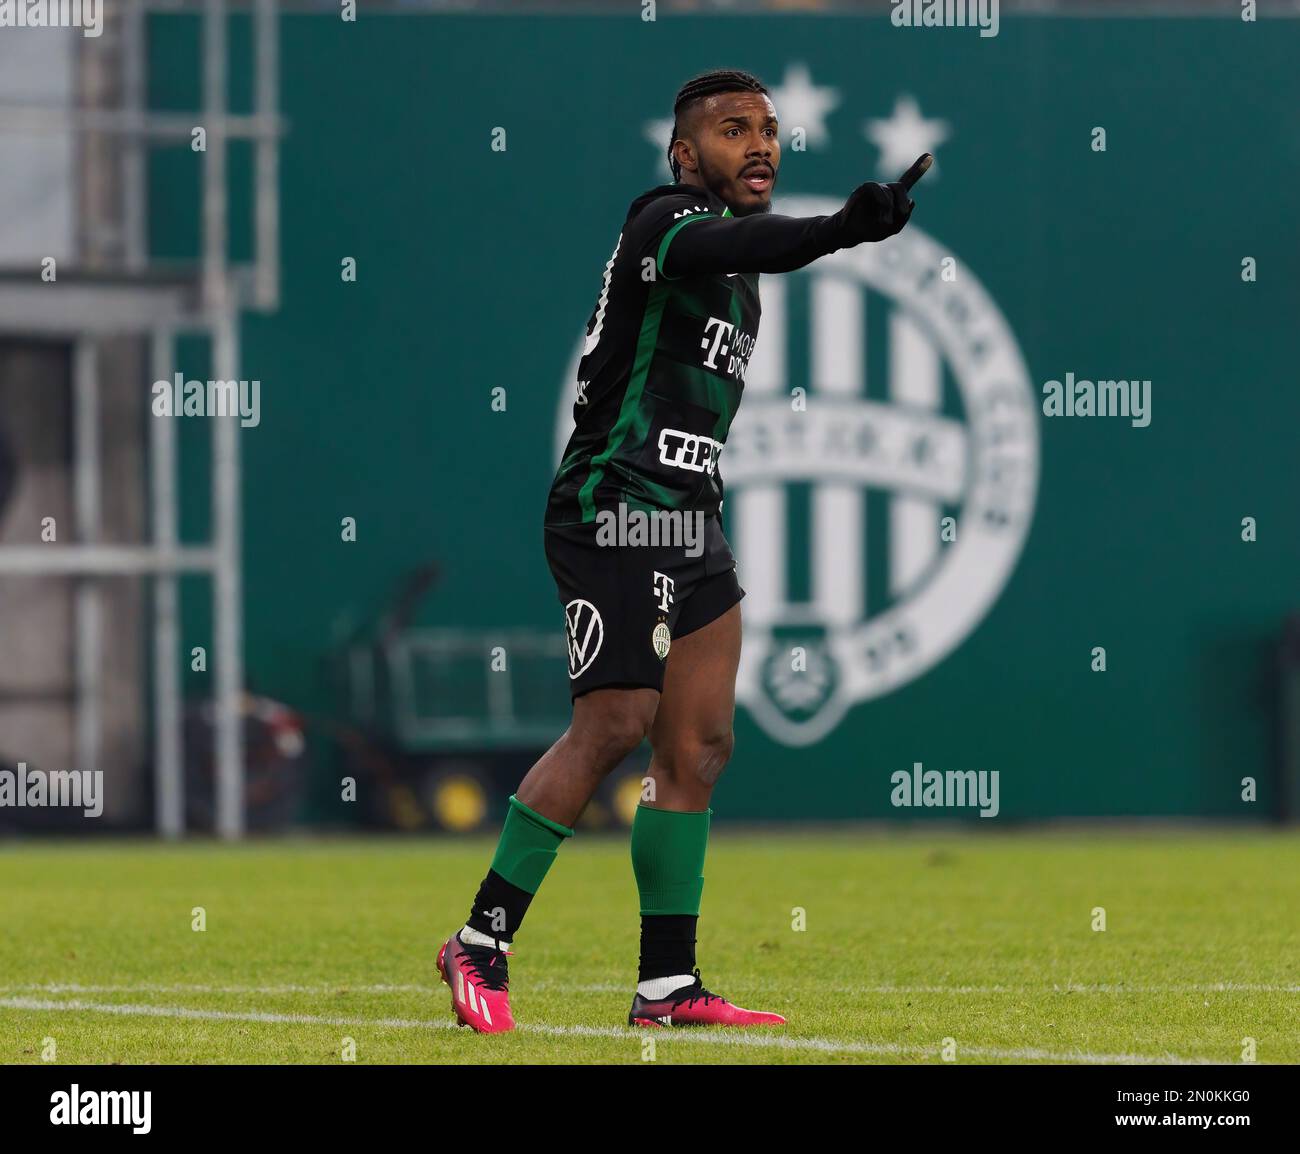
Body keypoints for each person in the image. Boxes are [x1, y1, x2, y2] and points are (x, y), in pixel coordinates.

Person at [438, 68, 916, 1032]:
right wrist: (839, 228)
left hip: (690, 520)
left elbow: (755, 250)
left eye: (771, 131)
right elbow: (759, 239)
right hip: (614, 508)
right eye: (734, 130)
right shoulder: (665, 221)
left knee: (697, 747)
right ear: (686, 154)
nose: (762, 146)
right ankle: (480, 943)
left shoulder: (735, 272)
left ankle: (666, 986)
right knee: (614, 724)